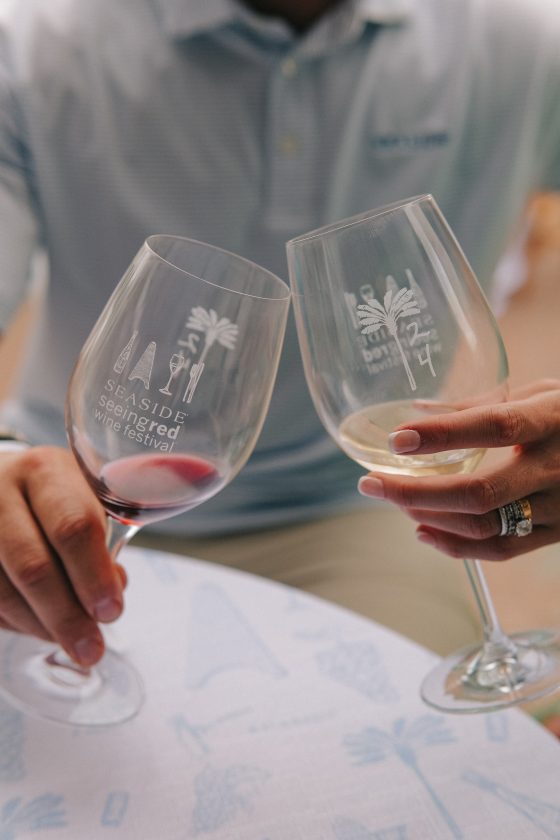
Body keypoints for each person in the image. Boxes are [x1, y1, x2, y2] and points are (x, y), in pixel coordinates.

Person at [0, 0, 559, 687]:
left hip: (356, 509)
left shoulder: (518, 45)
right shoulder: (36, 48)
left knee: (403, 750)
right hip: (62, 497)